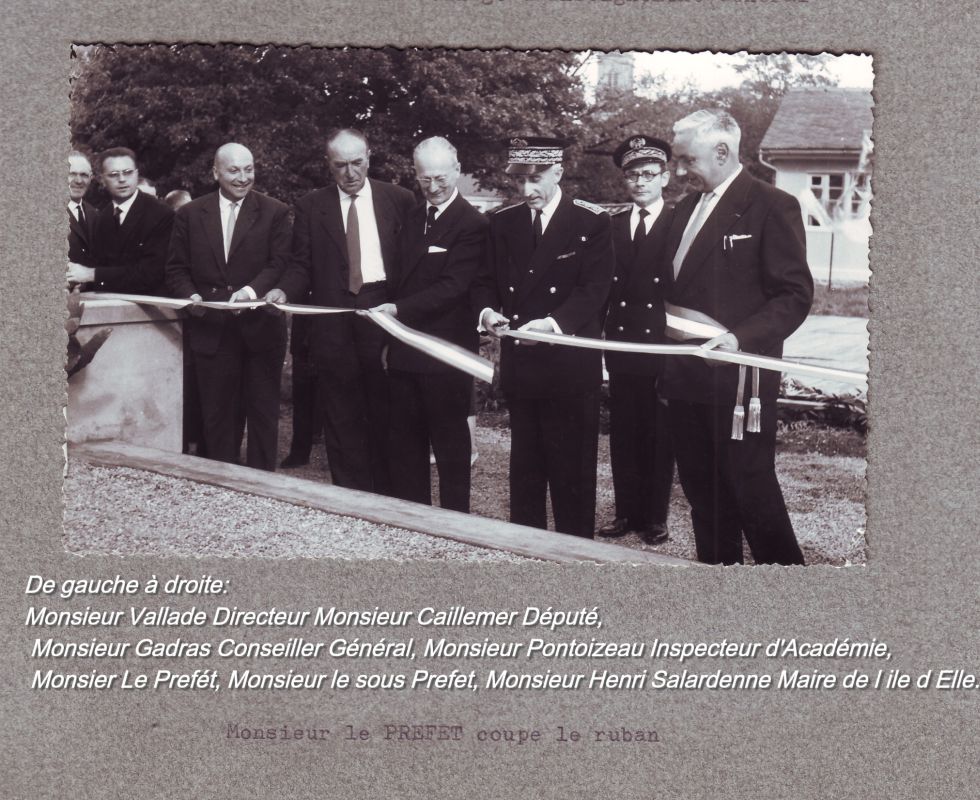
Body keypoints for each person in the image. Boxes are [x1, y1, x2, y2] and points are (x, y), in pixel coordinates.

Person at [663, 109, 813, 565]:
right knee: (702, 493)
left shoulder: (771, 205)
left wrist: (739, 339)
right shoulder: (684, 209)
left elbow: (794, 294)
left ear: (722, 152)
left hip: (738, 382)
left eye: (687, 160)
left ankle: (790, 590)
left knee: (751, 490)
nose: (679, 171)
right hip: (684, 377)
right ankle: (719, 580)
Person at [473, 136, 614, 538]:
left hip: (569, 367)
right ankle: (526, 549)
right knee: (526, 471)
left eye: (536, 179)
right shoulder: (503, 223)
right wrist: (487, 313)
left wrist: (553, 325)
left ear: (558, 173)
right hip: (523, 367)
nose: (528, 190)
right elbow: (484, 281)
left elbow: (595, 289)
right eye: (522, 181)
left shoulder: (591, 221)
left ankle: (575, 555)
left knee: (573, 474)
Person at [266, 129, 415, 493]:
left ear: (370, 156)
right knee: (340, 410)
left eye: (357, 163)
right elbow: (301, 264)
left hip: (383, 315)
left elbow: (413, 264)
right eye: (340, 165)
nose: (350, 173)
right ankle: (350, 494)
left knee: (387, 407)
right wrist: (283, 290)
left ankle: (389, 492)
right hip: (333, 322)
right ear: (328, 165)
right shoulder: (311, 206)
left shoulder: (400, 199)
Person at [371, 136, 488, 512]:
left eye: (441, 178)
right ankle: (414, 519)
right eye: (425, 180)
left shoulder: (473, 223)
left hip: (446, 355)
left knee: (451, 450)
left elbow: (453, 287)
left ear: (457, 170)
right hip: (406, 354)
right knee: (407, 446)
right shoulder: (410, 216)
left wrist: (397, 310)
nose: (434, 188)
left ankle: (456, 524)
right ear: (415, 176)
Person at [165, 143, 291, 471]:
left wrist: (252, 291)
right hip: (211, 331)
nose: (243, 177)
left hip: (261, 332)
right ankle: (222, 485)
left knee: (263, 418)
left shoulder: (275, 211)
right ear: (216, 172)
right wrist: (190, 296)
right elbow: (176, 268)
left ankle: (265, 488)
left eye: (248, 169)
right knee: (218, 419)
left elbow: (279, 263)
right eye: (234, 170)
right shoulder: (190, 215)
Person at [599, 135, 676, 546]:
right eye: (633, 175)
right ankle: (626, 511)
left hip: (661, 345)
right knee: (625, 431)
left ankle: (655, 517)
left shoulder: (679, 223)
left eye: (649, 174)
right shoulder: (610, 225)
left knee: (659, 432)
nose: (641, 182)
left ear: (664, 177)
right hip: (623, 344)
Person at [67, 147, 174, 295]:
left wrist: (92, 275)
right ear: (102, 180)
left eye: (128, 172)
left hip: (152, 310)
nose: (122, 179)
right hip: (111, 309)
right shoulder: (102, 217)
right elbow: (101, 265)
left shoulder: (161, 214)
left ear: (137, 174)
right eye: (113, 174)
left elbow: (151, 273)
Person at [68, 150, 98, 266]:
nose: (79, 181)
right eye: (72, 174)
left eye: (84, 175)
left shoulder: (95, 215)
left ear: (91, 178)